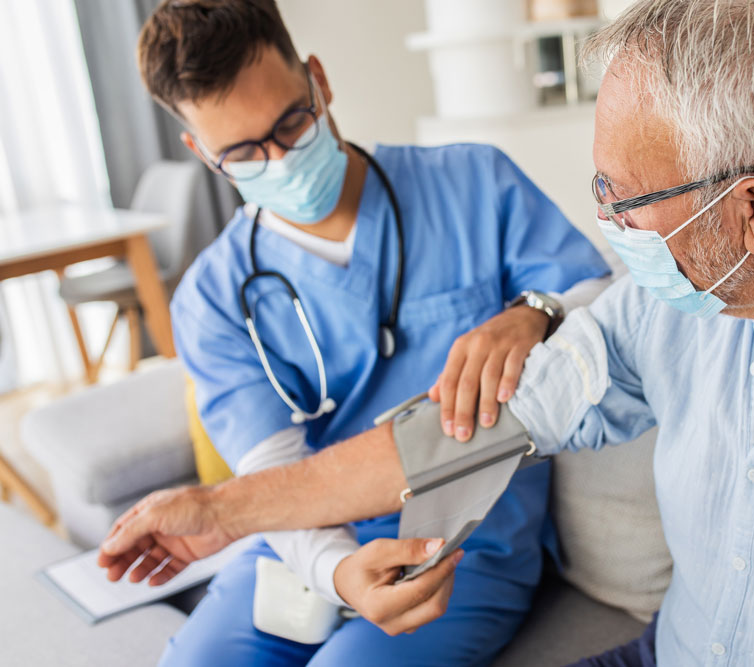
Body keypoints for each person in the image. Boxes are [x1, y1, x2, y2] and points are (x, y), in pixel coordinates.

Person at [100, 0, 754, 664]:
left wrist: (530, 309)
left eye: (621, 201)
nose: (603, 227)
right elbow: (463, 434)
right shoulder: (687, 304)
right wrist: (216, 512)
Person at [125, 1, 610, 665]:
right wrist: (334, 569)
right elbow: (271, 471)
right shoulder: (210, 298)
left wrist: (534, 313)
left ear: (318, 82)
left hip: (461, 541)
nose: (282, 161)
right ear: (201, 152)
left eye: (292, 124)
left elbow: (605, 303)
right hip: (301, 535)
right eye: (243, 152)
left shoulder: (472, 181)